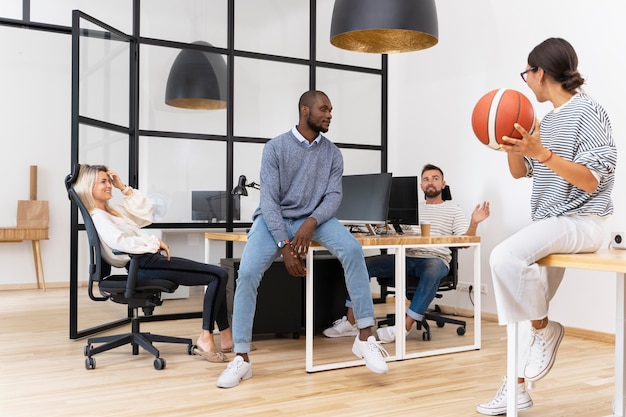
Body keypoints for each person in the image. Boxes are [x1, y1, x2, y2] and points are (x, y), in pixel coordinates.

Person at [477, 38, 616, 415]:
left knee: (504, 257)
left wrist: (542, 152)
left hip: (583, 221)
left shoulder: (589, 112)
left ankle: (545, 329)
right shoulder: (544, 121)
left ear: (540, 72)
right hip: (551, 222)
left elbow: (590, 181)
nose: (525, 81)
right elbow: (524, 172)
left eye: (527, 73)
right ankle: (516, 387)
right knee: (523, 294)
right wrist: (512, 149)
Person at [216, 90, 389, 389]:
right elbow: (269, 201)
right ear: (304, 110)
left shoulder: (333, 153)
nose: (329, 115)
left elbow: (334, 195)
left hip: (317, 219)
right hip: (274, 219)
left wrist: (310, 222)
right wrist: (285, 245)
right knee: (247, 273)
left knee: (352, 249)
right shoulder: (275, 148)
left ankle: (365, 335)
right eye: (324, 109)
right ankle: (241, 358)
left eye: (331, 110)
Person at [73, 164, 233, 363]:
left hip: (150, 261)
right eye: (103, 182)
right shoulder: (99, 216)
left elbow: (145, 213)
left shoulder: (113, 211)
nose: (109, 186)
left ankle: (224, 337)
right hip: (144, 265)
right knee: (219, 274)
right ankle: (206, 338)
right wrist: (153, 242)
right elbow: (121, 243)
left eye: (109, 181)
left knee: (217, 275)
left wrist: (123, 188)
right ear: (89, 187)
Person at [323, 164, 490, 342]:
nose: (430, 182)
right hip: (407, 256)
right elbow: (397, 233)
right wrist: (382, 223)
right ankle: (351, 321)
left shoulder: (453, 209)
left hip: (435, 259)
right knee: (362, 264)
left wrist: (474, 223)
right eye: (426, 179)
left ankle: (404, 327)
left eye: (435, 178)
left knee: (432, 270)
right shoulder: (413, 208)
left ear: (443, 184)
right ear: (421, 186)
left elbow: (465, 243)